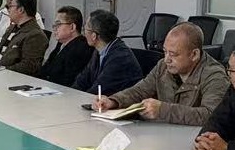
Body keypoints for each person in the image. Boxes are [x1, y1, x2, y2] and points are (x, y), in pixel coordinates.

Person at [90, 22, 227, 125]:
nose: (167, 59)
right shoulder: (163, 66)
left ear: (194, 54)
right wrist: (113, 101)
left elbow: (210, 115)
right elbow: (140, 91)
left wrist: (163, 110)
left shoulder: (214, 75)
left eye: (173, 54)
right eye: (165, 51)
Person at [73, 9, 143, 95]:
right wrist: (71, 94)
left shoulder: (120, 58)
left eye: (85, 29)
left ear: (94, 36)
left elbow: (99, 91)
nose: (83, 33)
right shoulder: (99, 50)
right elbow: (82, 80)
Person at [0, 0, 48, 76]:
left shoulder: (35, 35)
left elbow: (28, 67)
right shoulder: (12, 28)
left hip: (10, 77)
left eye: (10, 6)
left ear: (21, 10)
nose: (8, 10)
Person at [38, 5, 94, 87]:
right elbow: (45, 69)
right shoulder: (61, 44)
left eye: (58, 24)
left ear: (72, 27)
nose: (54, 28)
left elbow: (67, 81)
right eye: (54, 25)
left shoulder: (81, 49)